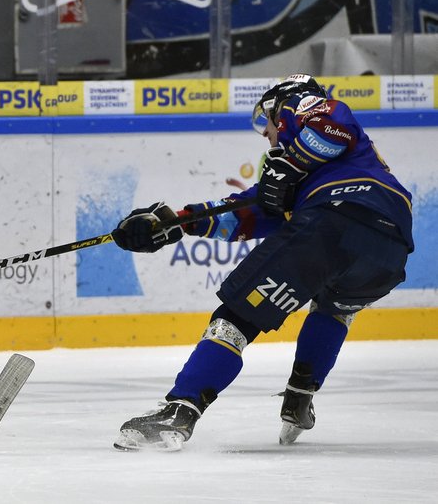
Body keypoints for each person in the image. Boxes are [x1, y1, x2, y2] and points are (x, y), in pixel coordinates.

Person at [109, 74, 413, 451]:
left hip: (335, 219)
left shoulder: (299, 107)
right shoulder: (308, 174)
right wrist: (173, 222)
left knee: (236, 319)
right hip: (390, 248)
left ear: (279, 109)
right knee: (334, 308)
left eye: (266, 124)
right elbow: (245, 214)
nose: (267, 135)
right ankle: (300, 399)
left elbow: (336, 124)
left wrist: (292, 162)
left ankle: (179, 412)